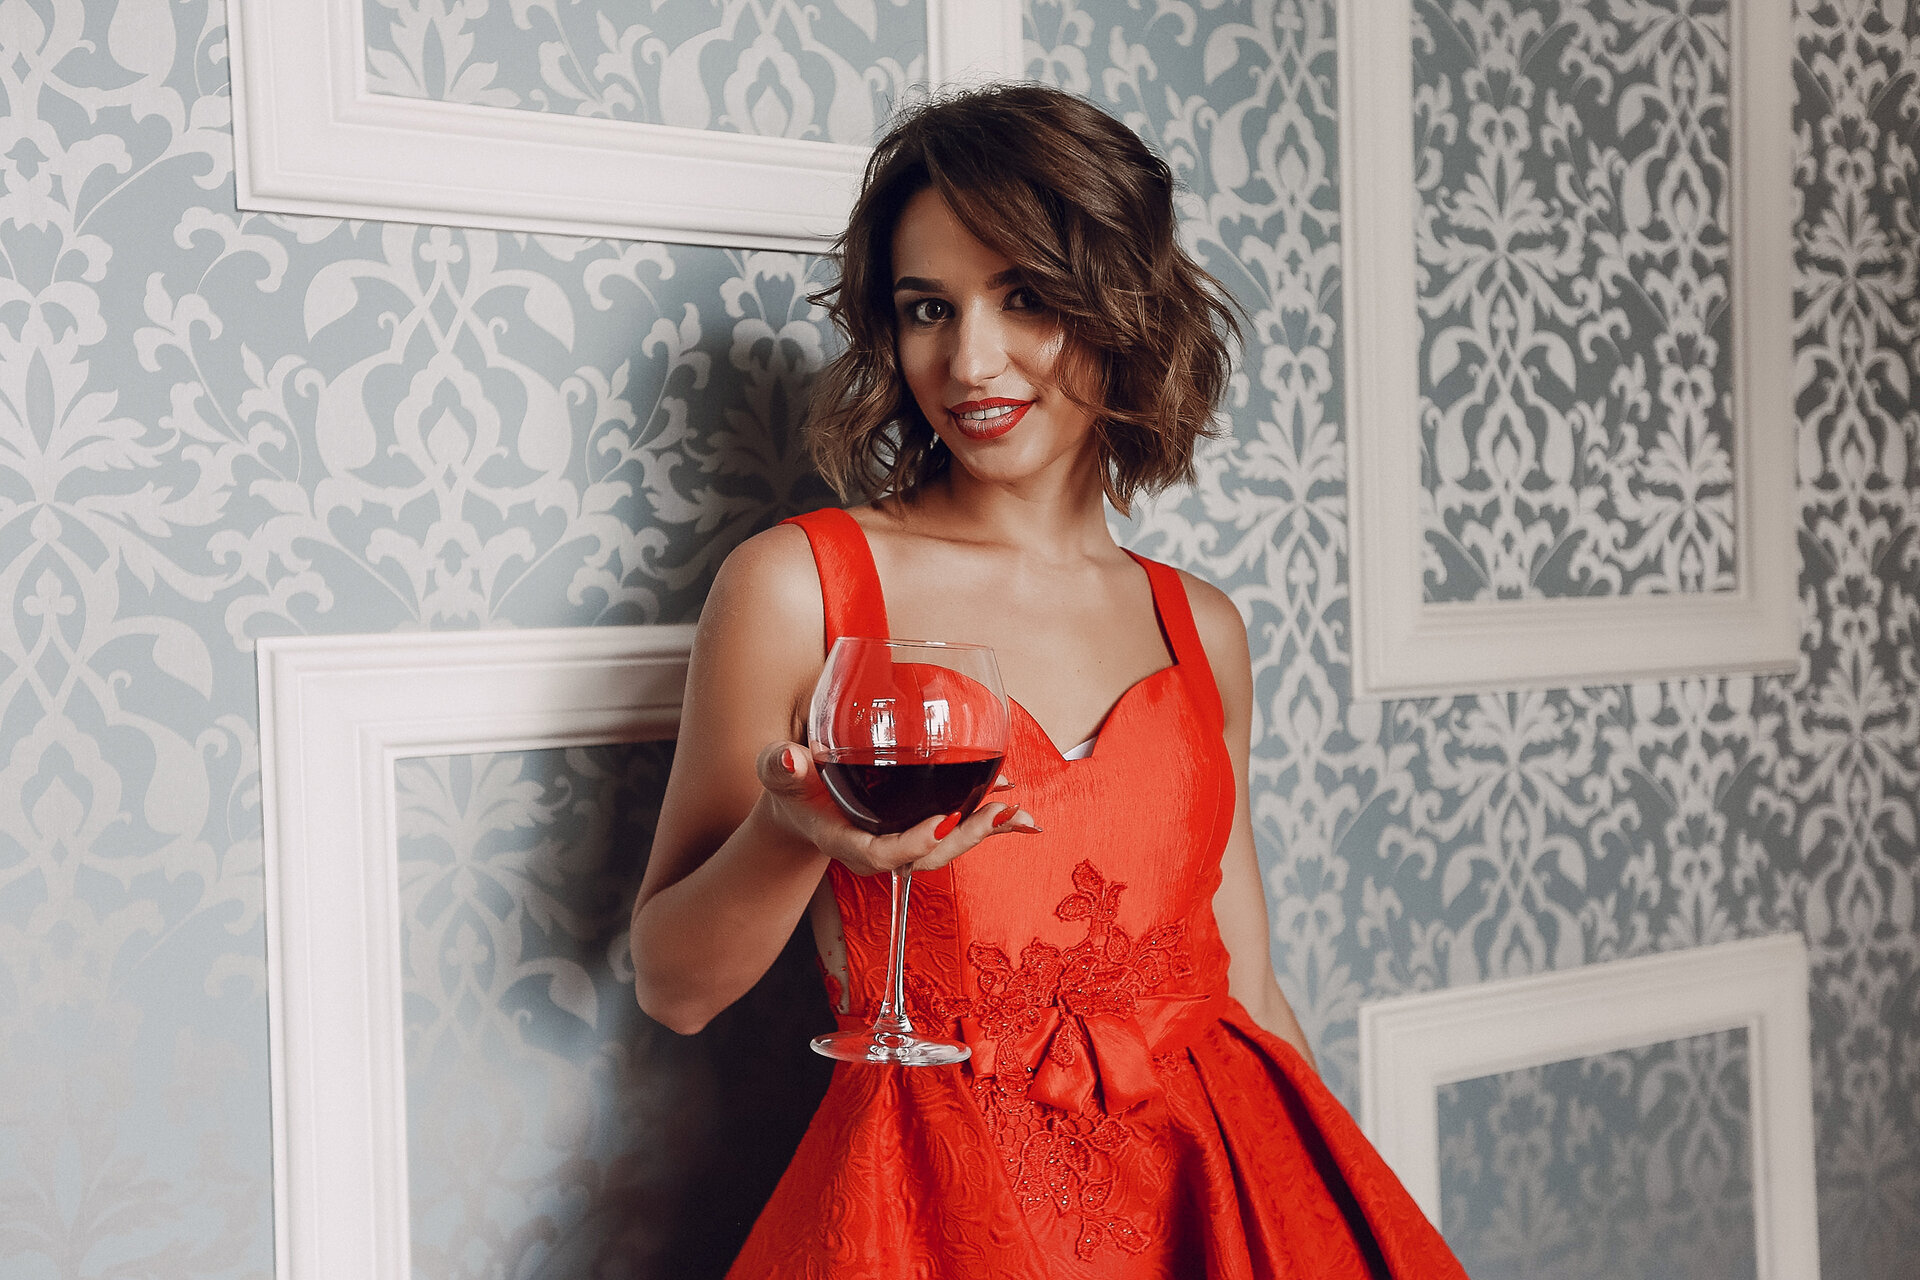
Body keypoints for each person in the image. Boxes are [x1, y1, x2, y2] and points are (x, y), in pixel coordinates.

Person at [631, 83, 1467, 1280]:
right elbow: (674, 988)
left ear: (1120, 304)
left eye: (1024, 296)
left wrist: (1326, 1218)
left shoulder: (1200, 625)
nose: (969, 359)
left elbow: (1251, 989)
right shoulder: (801, 587)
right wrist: (792, 829)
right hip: (935, 1207)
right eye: (929, 307)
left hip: (1212, 1183)